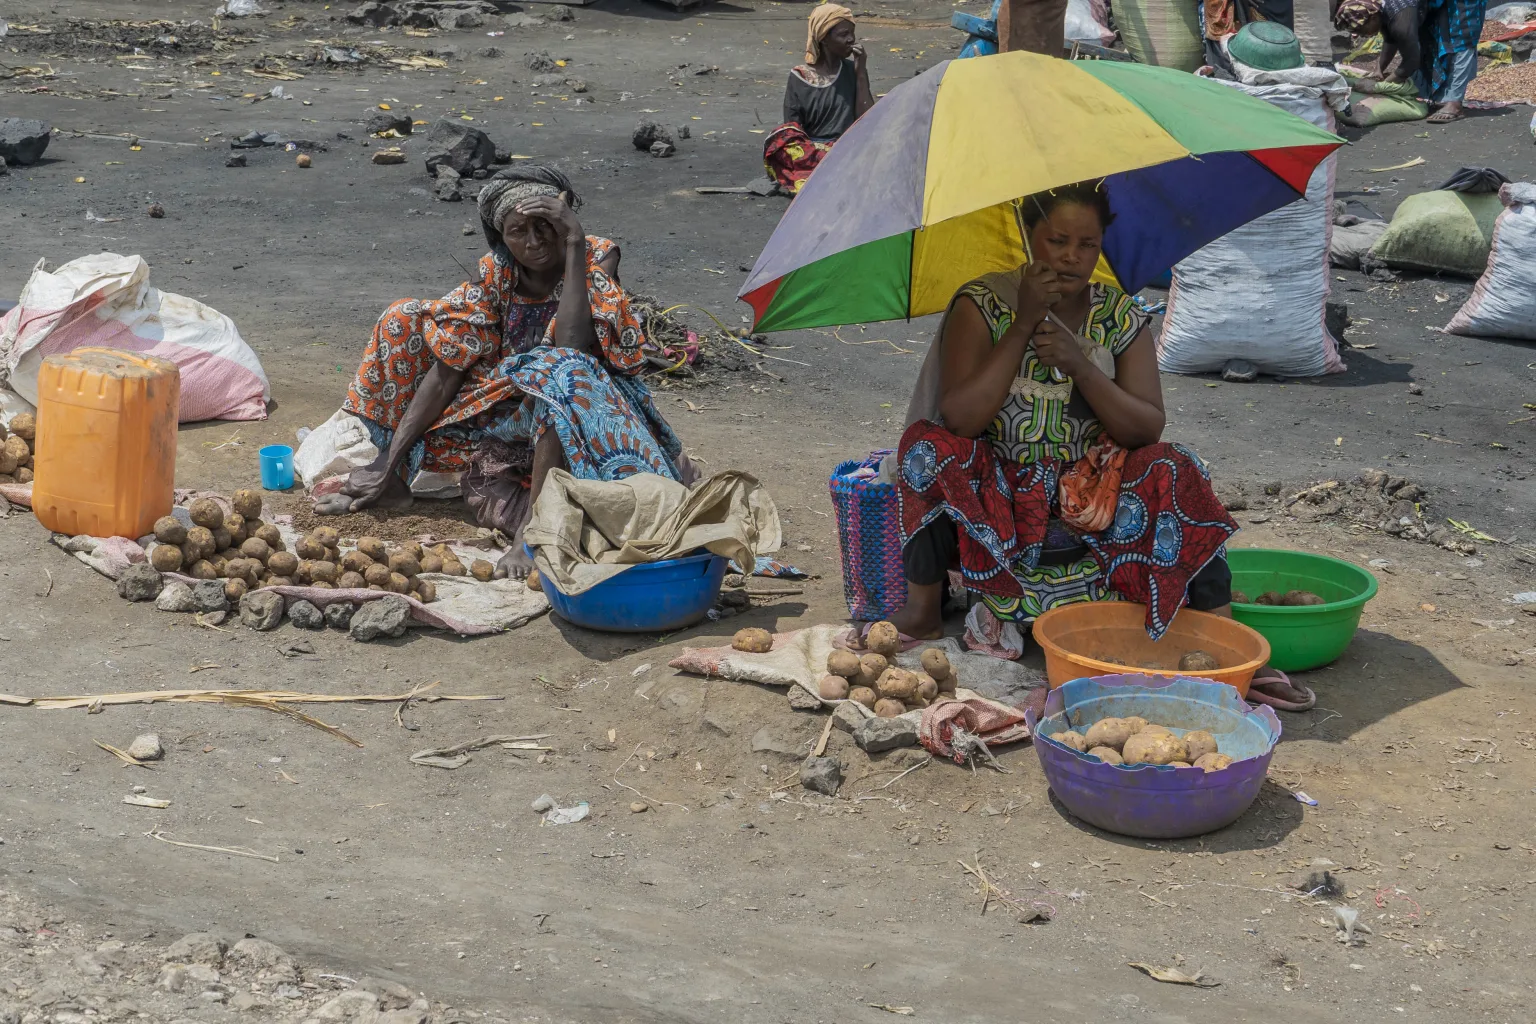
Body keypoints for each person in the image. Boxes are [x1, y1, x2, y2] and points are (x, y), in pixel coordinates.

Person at [883, 180, 1312, 710]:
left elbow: (1145, 428)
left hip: (1095, 501)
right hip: (1000, 504)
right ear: (1028, 233)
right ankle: (923, 611)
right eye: (1058, 240)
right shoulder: (983, 303)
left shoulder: (1118, 316)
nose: (1071, 257)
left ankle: (1220, 637)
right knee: (927, 446)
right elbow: (962, 419)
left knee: (1175, 466)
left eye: (1086, 245)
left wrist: (1080, 364)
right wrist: (1021, 325)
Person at [320, 165, 691, 579]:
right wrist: (389, 465)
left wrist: (574, 241)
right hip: (510, 412)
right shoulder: (497, 272)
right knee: (404, 317)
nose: (535, 242)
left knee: (553, 369)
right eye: (519, 231)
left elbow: (570, 348)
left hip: (585, 409)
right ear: (501, 236)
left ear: (563, 219)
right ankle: (392, 483)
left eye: (545, 226)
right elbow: (449, 369)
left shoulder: (595, 254)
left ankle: (533, 532)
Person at [762, 3, 874, 194]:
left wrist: (861, 72)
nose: (851, 39)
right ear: (824, 38)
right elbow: (792, 130)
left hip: (845, 147)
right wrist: (811, 152)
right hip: (812, 152)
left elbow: (869, 120)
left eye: (852, 33)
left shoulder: (852, 71)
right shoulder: (799, 76)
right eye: (843, 34)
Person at [1334, 0, 1485, 123]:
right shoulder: (1382, 12)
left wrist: (1381, 86)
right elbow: (1390, 39)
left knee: (1460, 42)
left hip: (1462, 4)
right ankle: (1443, 97)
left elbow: (1412, 60)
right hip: (1438, 4)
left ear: (1373, 17)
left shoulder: (1400, 20)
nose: (1362, 35)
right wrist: (1378, 70)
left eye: (1361, 29)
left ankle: (1455, 104)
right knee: (1435, 41)